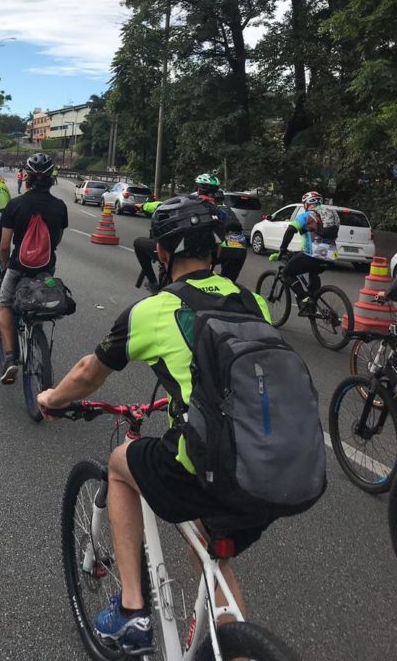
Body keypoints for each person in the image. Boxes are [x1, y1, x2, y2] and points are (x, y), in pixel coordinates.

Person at [37, 197, 272, 655]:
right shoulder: (255, 302)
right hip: (272, 463)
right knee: (209, 554)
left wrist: (52, 398)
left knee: (121, 464)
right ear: (216, 251)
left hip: (208, 465)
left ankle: (131, 611)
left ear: (162, 254)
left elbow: (89, 371)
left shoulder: (156, 309)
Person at [0, 153, 68, 383]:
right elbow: (55, 241)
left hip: (19, 264)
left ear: (26, 177)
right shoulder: (59, 207)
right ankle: (36, 331)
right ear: (51, 179)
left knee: (5, 304)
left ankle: (9, 358)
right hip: (46, 268)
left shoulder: (16, 204)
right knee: (40, 301)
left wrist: (6, 265)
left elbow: (5, 245)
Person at [270, 190, 339, 315]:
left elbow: (290, 230)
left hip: (313, 254)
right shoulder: (329, 216)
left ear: (307, 204)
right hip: (330, 256)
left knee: (287, 272)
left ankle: (304, 298)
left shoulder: (306, 215)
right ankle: (313, 300)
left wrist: (282, 249)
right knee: (313, 272)